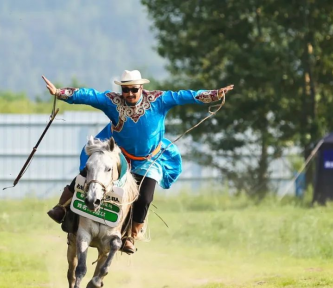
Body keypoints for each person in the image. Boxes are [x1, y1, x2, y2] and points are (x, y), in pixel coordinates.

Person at [42, 70, 234, 254]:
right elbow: (89, 95)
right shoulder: (112, 102)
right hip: (119, 156)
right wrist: (60, 93)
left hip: (150, 160)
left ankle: (131, 236)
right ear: (121, 90)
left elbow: (184, 96)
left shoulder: (158, 100)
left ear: (141, 88)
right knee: (86, 177)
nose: (130, 93)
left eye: (134, 89)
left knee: (144, 198)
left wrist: (213, 94)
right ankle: (62, 208)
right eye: (126, 90)